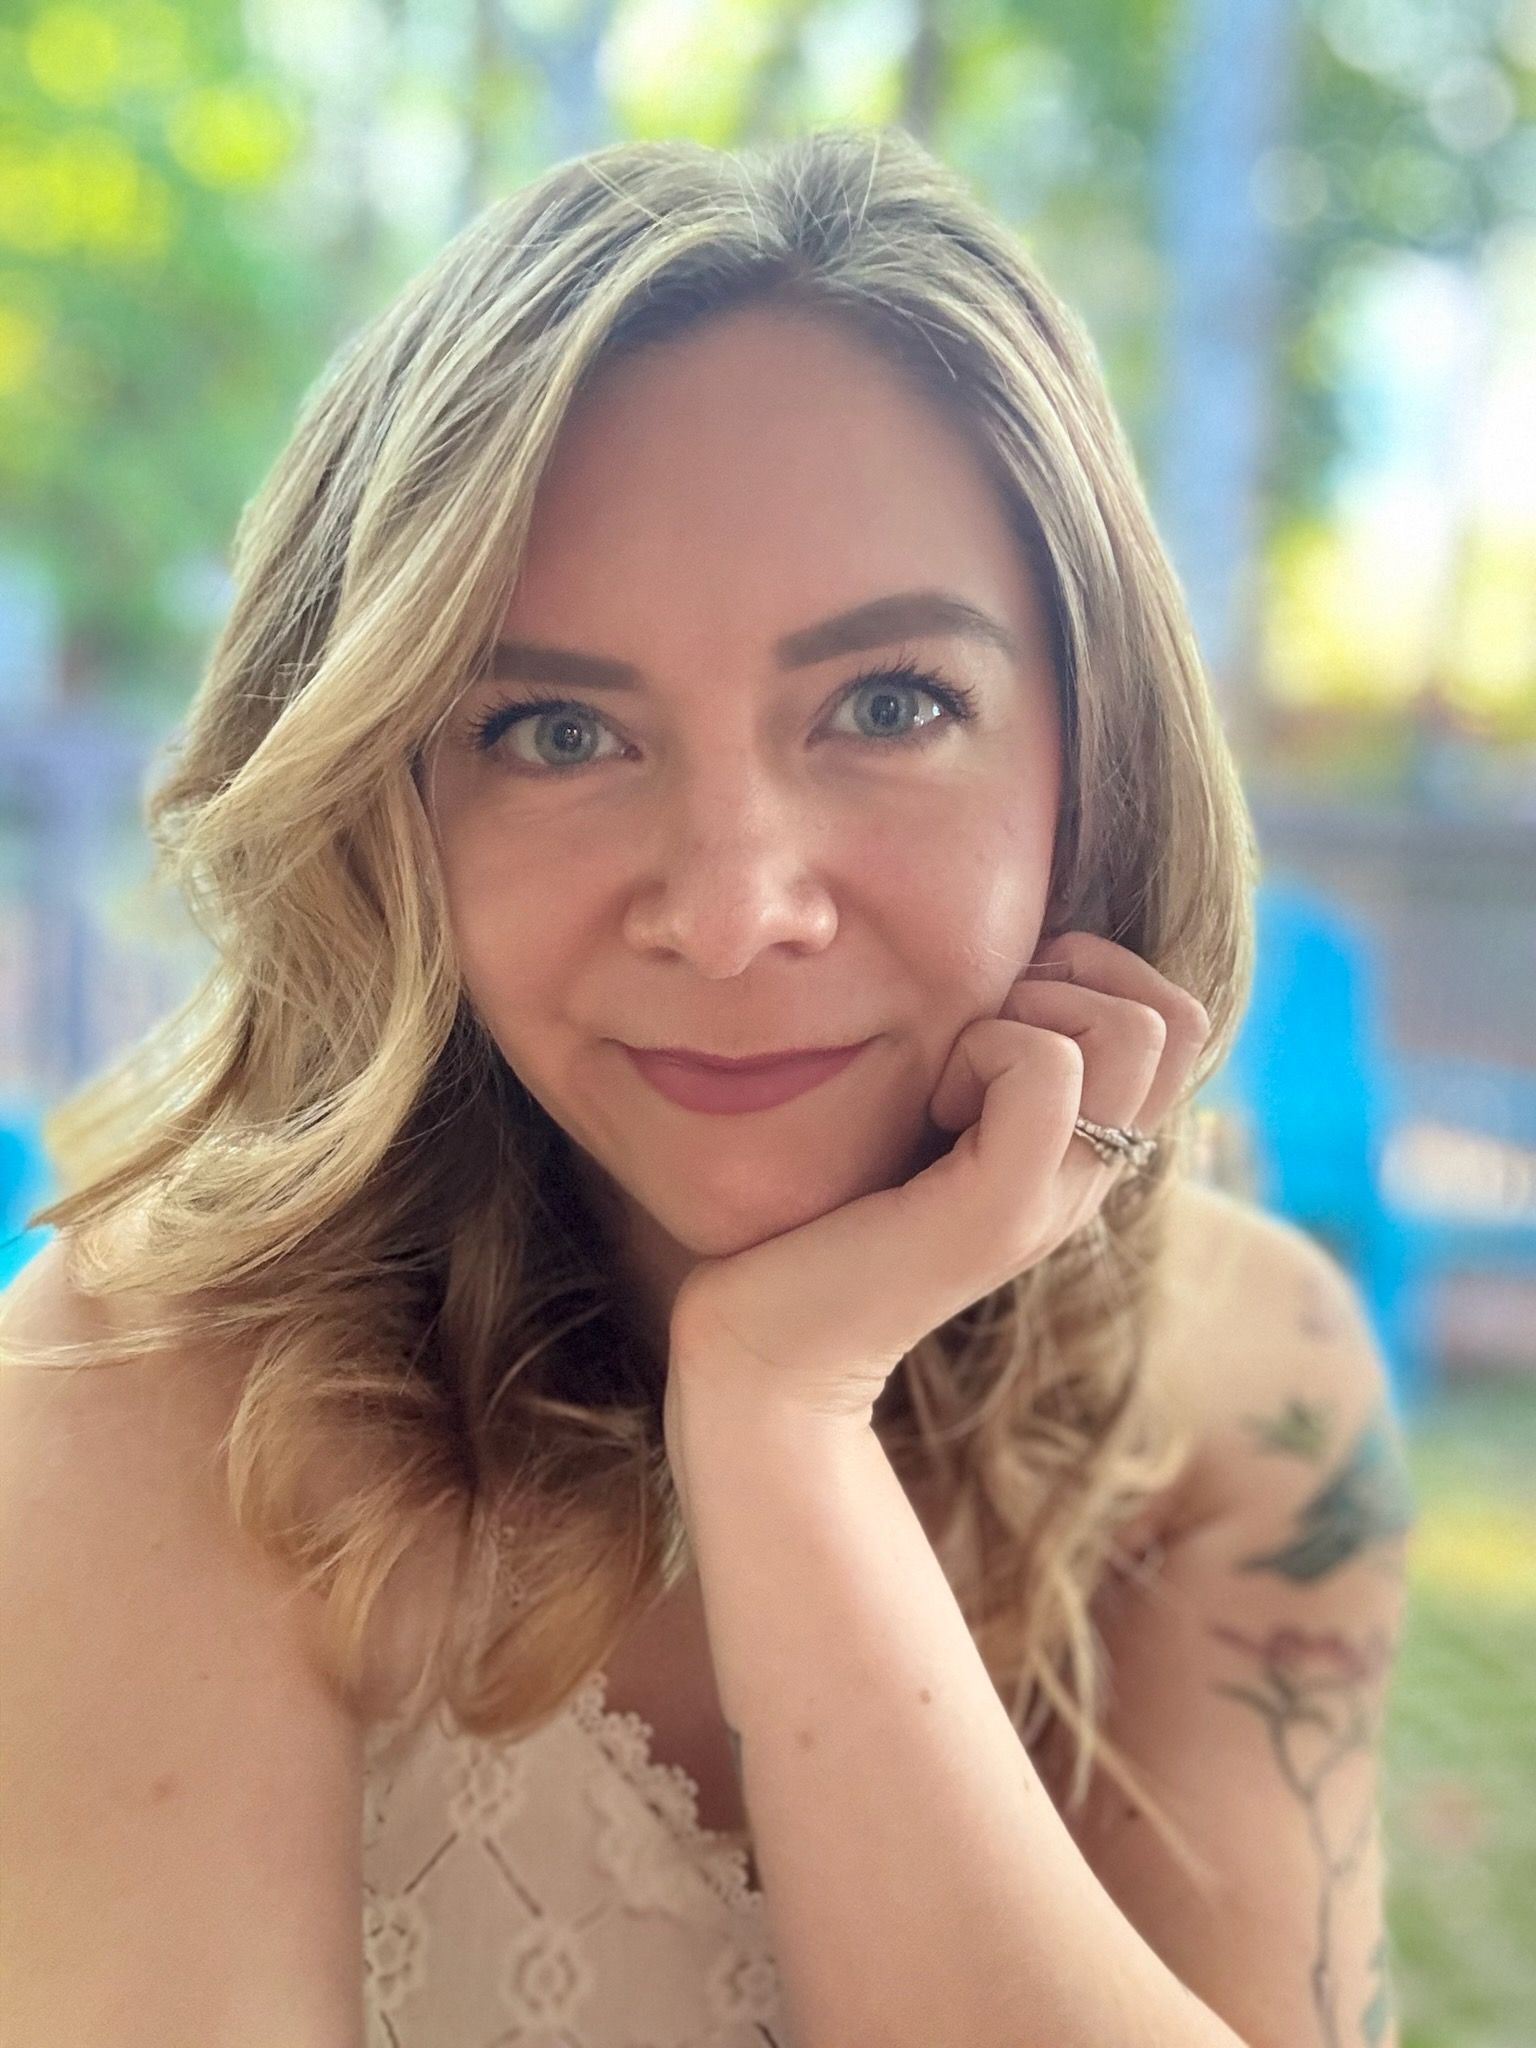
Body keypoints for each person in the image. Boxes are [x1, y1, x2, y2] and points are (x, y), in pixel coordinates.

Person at [0, 126, 1414, 2048]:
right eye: (554, 731)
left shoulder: (1253, 1384)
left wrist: (780, 1417)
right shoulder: (144, 1399)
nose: (736, 913)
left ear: (1093, 759)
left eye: (891, 705)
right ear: (384, 798)